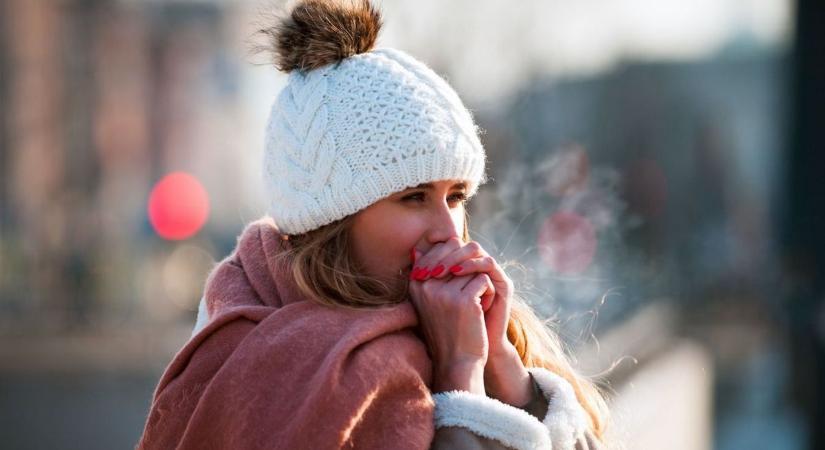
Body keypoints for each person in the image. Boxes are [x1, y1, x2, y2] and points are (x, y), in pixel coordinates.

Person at [137, 0, 611, 448]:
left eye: (456, 196)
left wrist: (510, 377)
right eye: (413, 198)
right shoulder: (259, 364)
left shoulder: (479, 333)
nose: (448, 229)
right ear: (333, 223)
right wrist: (460, 381)